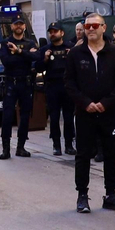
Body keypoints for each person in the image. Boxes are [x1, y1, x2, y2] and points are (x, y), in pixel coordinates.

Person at [66, 12, 115, 213]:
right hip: (85, 114)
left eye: (95, 26)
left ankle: (110, 195)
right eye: (87, 27)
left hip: (109, 113)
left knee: (112, 154)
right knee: (83, 154)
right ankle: (82, 195)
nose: (91, 29)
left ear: (104, 27)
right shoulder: (75, 54)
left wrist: (106, 103)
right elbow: (69, 83)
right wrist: (85, 103)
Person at [0, 16, 38, 160]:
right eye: (16, 24)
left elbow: (37, 57)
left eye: (21, 24)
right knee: (7, 116)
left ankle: (21, 147)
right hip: (11, 83)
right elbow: (7, 61)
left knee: (25, 116)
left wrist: (19, 52)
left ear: (25, 27)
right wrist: (27, 55)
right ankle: (6, 149)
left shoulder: (30, 42)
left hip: (26, 83)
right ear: (12, 27)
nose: (19, 26)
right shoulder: (5, 43)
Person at [41, 22, 75, 155]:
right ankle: (56, 145)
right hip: (52, 86)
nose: (53, 34)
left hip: (67, 86)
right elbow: (38, 67)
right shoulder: (45, 49)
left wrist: (71, 56)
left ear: (62, 33)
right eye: (51, 32)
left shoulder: (70, 48)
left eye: (55, 31)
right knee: (54, 118)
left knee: (68, 117)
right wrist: (45, 59)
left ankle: (69, 144)